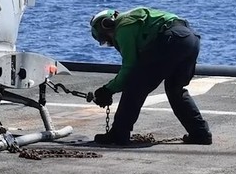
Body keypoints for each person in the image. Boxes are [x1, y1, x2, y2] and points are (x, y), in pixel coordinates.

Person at [88, 7, 212, 146]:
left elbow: (129, 67)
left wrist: (108, 90)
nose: (111, 42)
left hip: (171, 39)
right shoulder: (134, 19)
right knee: (175, 90)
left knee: (135, 86)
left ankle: (119, 133)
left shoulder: (123, 27)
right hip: (191, 39)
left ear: (107, 24)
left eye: (106, 38)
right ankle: (200, 133)